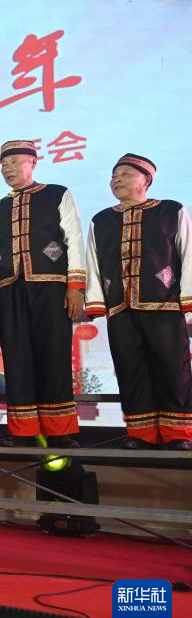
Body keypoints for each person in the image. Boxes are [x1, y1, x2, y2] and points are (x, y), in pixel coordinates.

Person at [85, 154, 192, 450]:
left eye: (125, 174)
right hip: (120, 308)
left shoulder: (171, 211)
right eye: (113, 175)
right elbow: (92, 262)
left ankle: (178, 433)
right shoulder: (101, 220)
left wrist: (187, 298)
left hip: (165, 306)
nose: (116, 179)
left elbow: (187, 253)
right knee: (130, 369)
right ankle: (141, 433)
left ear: (146, 180)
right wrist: (96, 301)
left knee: (172, 368)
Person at [0, 140, 85, 447]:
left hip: (51, 285)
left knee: (54, 355)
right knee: (16, 358)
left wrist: (75, 286)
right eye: (4, 164)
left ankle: (60, 431)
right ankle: (23, 431)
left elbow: (74, 238)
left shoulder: (57, 193)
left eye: (15, 162)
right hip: (8, 290)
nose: (8, 169)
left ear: (33, 162)